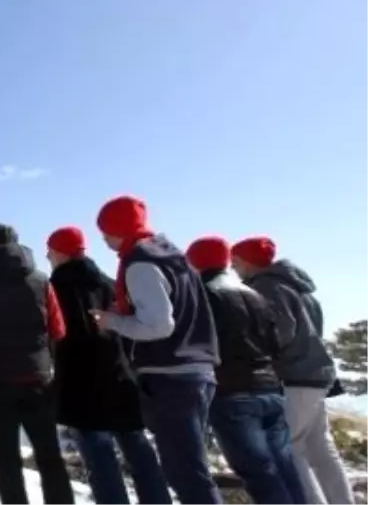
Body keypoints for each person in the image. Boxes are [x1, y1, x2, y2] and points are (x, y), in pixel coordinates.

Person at [93, 195, 222, 505]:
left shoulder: (140, 263)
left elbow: (158, 327)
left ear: (119, 229)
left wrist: (111, 321)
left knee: (185, 473)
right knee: (191, 468)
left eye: (106, 231)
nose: (105, 239)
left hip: (170, 376)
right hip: (198, 371)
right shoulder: (173, 256)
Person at [46, 226, 170, 505]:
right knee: (139, 452)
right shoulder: (108, 282)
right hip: (120, 377)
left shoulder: (54, 288)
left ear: (59, 252)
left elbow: (54, 335)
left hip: (80, 385)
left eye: (50, 252)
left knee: (100, 461)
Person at [232, 236, 353, 505]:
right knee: (321, 450)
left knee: (290, 448)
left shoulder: (266, 287)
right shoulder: (300, 288)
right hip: (317, 375)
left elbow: (279, 333)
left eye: (236, 260)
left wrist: (258, 356)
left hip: (292, 376)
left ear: (247, 261)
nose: (233, 267)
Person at [0, 224, 73, 505]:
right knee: (50, 458)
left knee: (6, 461)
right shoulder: (40, 279)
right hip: (38, 379)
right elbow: (58, 329)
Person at [187, 236, 307, 505]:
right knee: (286, 470)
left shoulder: (204, 294)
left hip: (231, 391)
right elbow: (275, 342)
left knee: (260, 476)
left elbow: (198, 344)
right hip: (270, 388)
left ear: (194, 262)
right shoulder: (254, 294)